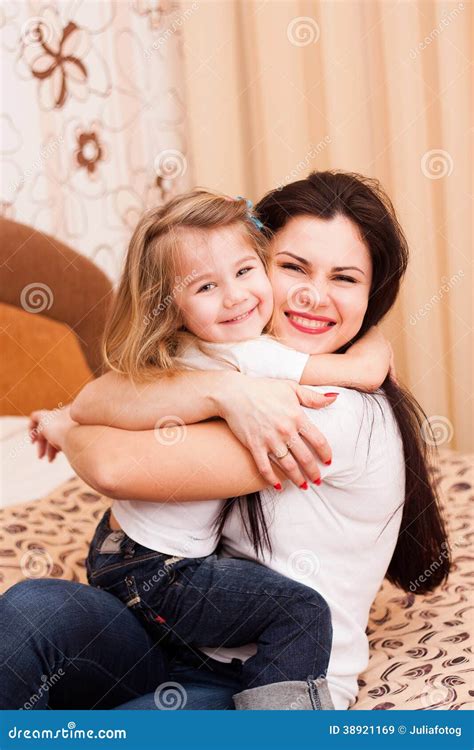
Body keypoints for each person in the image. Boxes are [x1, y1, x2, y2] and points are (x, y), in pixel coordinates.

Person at [0, 171, 449, 711]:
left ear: (372, 294)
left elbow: (113, 465)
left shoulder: (328, 408)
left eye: (345, 279)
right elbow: (106, 393)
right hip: (164, 636)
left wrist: (68, 428)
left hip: (251, 673)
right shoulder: (238, 371)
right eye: (293, 267)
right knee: (32, 608)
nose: (313, 294)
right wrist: (222, 393)